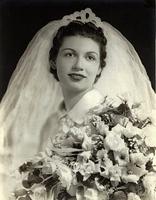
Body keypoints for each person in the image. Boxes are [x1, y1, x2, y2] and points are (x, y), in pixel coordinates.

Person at [0, 8, 156, 200]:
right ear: (53, 61)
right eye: (69, 54)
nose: (78, 65)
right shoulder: (53, 120)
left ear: (99, 68)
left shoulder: (112, 123)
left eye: (90, 57)